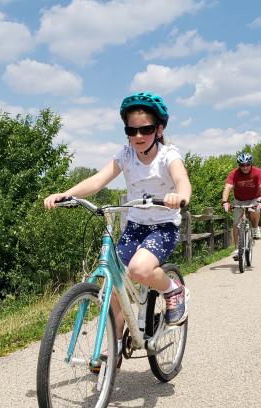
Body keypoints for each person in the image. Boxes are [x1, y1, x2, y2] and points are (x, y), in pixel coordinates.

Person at [44, 91, 192, 341]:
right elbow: (98, 180)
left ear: (159, 129)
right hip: (135, 226)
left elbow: (182, 180)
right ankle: (112, 353)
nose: (138, 136)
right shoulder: (125, 155)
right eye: (131, 130)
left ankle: (173, 290)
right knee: (113, 288)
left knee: (138, 269)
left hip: (163, 226)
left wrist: (180, 196)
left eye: (145, 130)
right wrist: (66, 194)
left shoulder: (169, 155)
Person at [221, 152, 261, 260]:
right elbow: (227, 188)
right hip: (239, 200)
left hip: (254, 198)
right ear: (239, 165)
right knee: (236, 223)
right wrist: (224, 201)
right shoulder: (234, 173)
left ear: (251, 164)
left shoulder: (258, 172)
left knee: (253, 210)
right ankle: (237, 249)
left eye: (247, 165)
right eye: (242, 165)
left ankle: (255, 228)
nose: (245, 167)